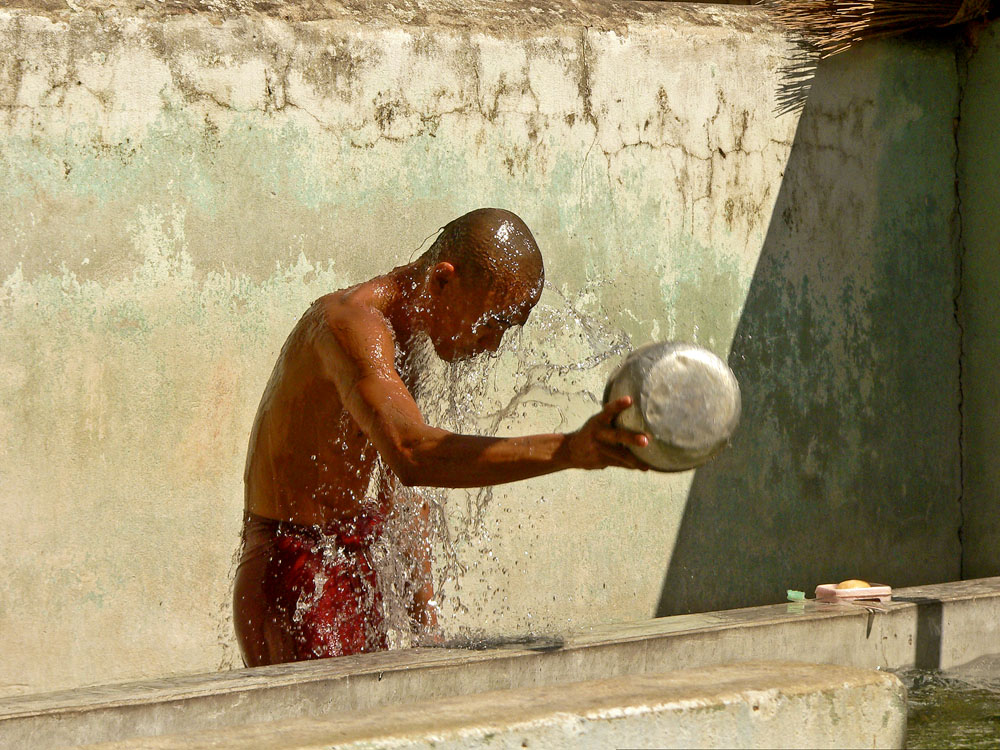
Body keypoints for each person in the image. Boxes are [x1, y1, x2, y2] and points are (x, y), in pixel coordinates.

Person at [233, 207, 650, 667]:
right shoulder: (350, 328)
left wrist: (426, 627)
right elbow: (412, 453)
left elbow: (403, 504)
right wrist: (569, 449)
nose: (491, 345)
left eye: (505, 330)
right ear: (441, 281)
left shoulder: (405, 336)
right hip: (294, 568)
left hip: (346, 558)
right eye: (491, 322)